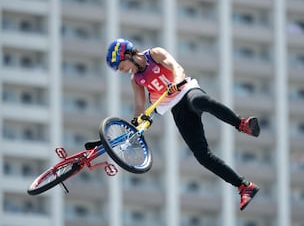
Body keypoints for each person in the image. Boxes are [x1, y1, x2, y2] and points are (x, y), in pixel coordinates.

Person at [89, 38, 261, 210]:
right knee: (202, 155)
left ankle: (242, 124)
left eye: (121, 66)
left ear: (127, 55)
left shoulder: (155, 54)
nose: (123, 71)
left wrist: (176, 82)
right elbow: (139, 105)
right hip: (176, 109)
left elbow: (176, 68)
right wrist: (138, 120)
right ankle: (244, 186)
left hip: (187, 92)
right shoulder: (136, 80)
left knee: (200, 101)